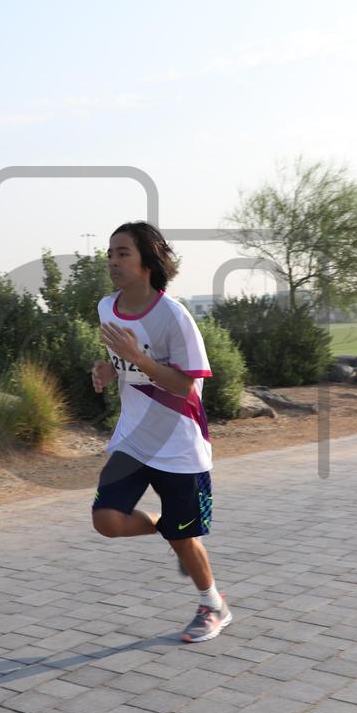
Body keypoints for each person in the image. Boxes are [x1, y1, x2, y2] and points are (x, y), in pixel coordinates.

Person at [91, 221, 232, 643]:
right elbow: (124, 365)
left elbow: (185, 385)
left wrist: (137, 358)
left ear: (148, 262)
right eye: (110, 254)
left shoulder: (174, 316)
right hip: (134, 440)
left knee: (185, 540)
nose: (113, 261)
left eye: (123, 253)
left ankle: (214, 606)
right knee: (107, 520)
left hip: (179, 445)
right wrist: (107, 369)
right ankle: (165, 526)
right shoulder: (106, 307)